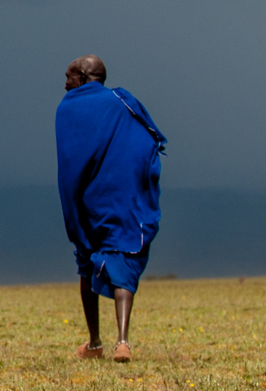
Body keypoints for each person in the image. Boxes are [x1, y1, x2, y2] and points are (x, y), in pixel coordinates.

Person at [55, 54, 166, 363]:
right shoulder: (123, 101)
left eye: (68, 76)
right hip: (122, 199)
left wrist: (72, 205)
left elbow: (69, 162)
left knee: (87, 262)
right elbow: (149, 140)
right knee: (123, 260)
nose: (65, 83)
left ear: (83, 75)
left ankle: (95, 342)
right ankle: (122, 342)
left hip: (90, 200)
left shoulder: (68, 108)